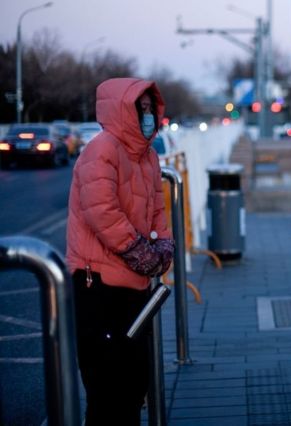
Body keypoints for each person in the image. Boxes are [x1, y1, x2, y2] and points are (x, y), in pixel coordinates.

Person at [66, 78, 174, 425]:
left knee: (133, 382)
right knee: (106, 387)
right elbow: (102, 210)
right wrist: (140, 251)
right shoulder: (102, 150)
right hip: (98, 284)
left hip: (135, 284)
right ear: (120, 110)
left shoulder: (148, 156)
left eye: (149, 108)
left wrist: (164, 246)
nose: (146, 116)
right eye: (138, 109)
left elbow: (158, 209)